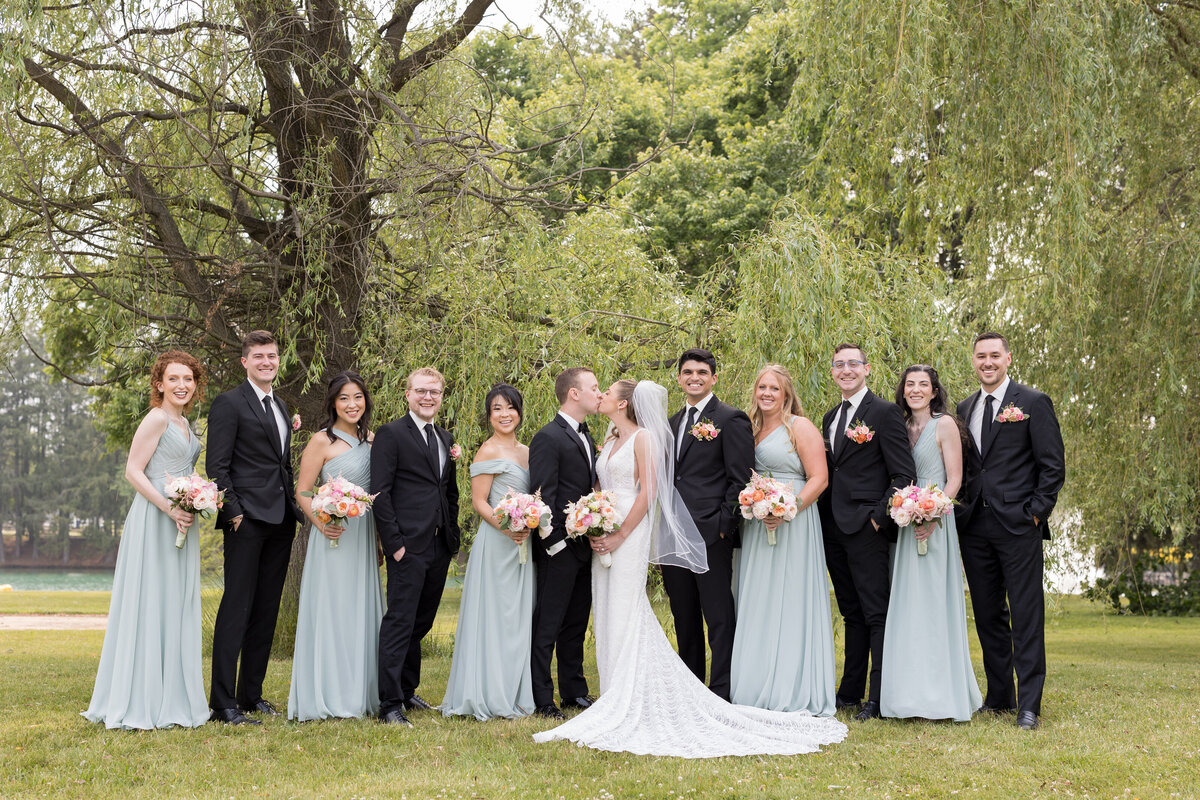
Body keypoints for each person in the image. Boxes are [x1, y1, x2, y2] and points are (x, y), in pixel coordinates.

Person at [533, 380, 847, 757]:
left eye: (605, 391)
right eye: (596, 390)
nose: (600, 395)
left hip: (654, 532)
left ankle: (708, 690)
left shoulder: (700, 425)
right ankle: (619, 687)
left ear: (623, 402)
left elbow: (674, 486)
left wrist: (719, 526)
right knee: (617, 611)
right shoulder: (624, 432)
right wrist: (593, 519)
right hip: (617, 529)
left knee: (684, 612)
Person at [83, 350, 211, 730]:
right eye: (173, 379)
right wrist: (168, 507)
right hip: (156, 518)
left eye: (188, 379)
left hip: (182, 518)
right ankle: (142, 697)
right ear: (159, 384)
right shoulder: (156, 418)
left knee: (175, 602)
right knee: (150, 600)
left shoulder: (188, 424)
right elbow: (133, 471)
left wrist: (193, 499)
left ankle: (174, 695)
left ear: (195, 383)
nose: (181, 385)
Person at [956, 333, 1065, 730]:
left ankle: (1029, 705)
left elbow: (1052, 467)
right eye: (981, 356)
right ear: (974, 360)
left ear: (1008, 358)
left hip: (1018, 526)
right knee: (988, 614)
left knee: (1025, 614)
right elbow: (968, 466)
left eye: (994, 356)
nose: (988, 362)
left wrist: (1034, 514)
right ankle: (1000, 695)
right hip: (974, 528)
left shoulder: (1033, 403)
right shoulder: (965, 407)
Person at [207, 330, 302, 725]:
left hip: (281, 521)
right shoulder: (229, 403)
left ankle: (251, 695)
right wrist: (235, 513)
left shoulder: (281, 405)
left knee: (265, 610)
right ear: (244, 361)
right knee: (237, 609)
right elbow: (218, 466)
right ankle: (223, 703)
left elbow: (281, 464)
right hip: (245, 522)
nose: (267, 361)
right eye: (259, 356)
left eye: (272, 355)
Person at [818, 342, 916, 721]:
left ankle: (877, 697)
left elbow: (903, 475)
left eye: (853, 364)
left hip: (867, 527)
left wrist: (878, 518)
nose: (846, 370)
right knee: (851, 612)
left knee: (876, 613)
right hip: (833, 528)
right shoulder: (830, 417)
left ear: (867, 369)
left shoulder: (886, 413)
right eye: (839, 364)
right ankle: (850, 692)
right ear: (832, 371)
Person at [730, 365, 835, 715]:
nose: (767, 393)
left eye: (774, 388)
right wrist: (758, 507)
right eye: (762, 387)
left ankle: (791, 685)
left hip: (795, 525)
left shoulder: (799, 427)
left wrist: (789, 508)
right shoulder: (750, 427)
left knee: (790, 599)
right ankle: (755, 683)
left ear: (787, 394)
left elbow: (819, 478)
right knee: (758, 600)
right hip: (758, 525)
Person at [880, 365, 981, 721]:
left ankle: (939, 695)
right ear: (903, 390)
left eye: (924, 384)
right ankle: (906, 693)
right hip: (905, 523)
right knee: (906, 604)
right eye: (910, 384)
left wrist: (934, 514)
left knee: (934, 604)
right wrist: (907, 512)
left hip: (936, 522)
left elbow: (954, 479)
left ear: (935, 391)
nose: (916, 390)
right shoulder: (900, 426)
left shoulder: (945, 425)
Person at [288, 371, 385, 721]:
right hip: (332, 535)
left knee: (359, 610)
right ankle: (327, 693)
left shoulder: (374, 441)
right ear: (333, 403)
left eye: (357, 397)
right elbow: (302, 491)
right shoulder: (320, 441)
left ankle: (362, 693)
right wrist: (322, 522)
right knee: (333, 609)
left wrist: (377, 541)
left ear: (365, 401)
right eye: (344, 398)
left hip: (362, 535)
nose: (352, 404)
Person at [371, 367, 461, 726]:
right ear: (407, 394)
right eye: (421, 391)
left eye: (435, 392)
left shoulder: (445, 436)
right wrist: (394, 545)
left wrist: (451, 535)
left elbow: (448, 490)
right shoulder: (391, 435)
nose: (428, 397)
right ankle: (390, 704)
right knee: (400, 621)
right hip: (407, 544)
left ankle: (408, 691)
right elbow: (380, 493)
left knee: (420, 622)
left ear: (441, 397)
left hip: (439, 544)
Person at [663, 348, 754, 701]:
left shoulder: (731, 419)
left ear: (714, 378)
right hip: (674, 533)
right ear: (679, 378)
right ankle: (691, 691)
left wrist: (722, 527)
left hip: (709, 534)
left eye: (702, 372)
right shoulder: (671, 423)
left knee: (718, 616)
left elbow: (741, 480)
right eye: (688, 372)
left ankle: (721, 690)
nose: (694, 377)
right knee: (684, 615)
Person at [442, 384, 536, 719]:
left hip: (523, 544)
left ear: (520, 412)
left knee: (517, 618)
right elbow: (479, 502)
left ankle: (515, 690)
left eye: (510, 407)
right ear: (489, 415)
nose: (505, 414)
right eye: (497, 408)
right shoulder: (487, 451)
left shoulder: (527, 451)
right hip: (497, 543)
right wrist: (506, 526)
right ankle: (487, 691)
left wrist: (531, 518)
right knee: (495, 617)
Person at [527, 367, 601, 719]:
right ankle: (543, 697)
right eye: (594, 387)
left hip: (585, 547)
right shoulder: (548, 437)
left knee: (575, 622)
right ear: (574, 393)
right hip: (558, 550)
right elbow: (542, 496)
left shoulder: (587, 434)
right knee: (548, 623)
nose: (599, 393)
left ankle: (574, 691)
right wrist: (554, 545)